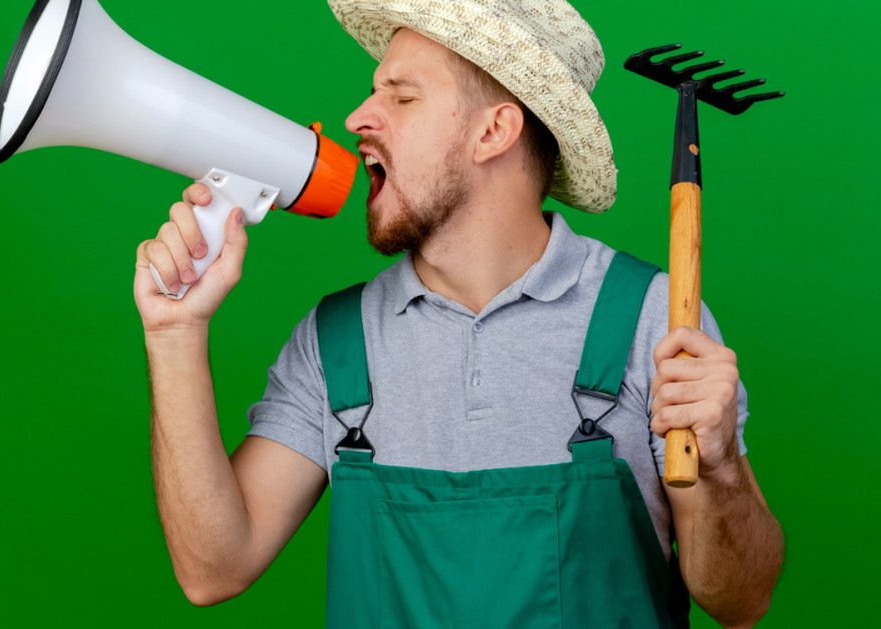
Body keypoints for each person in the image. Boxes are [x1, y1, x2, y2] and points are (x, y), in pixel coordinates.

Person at [134, 1, 783, 626]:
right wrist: (174, 333)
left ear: (493, 131)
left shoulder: (653, 321)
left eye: (402, 96)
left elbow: (741, 599)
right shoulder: (335, 344)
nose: (358, 117)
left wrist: (720, 466)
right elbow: (212, 569)